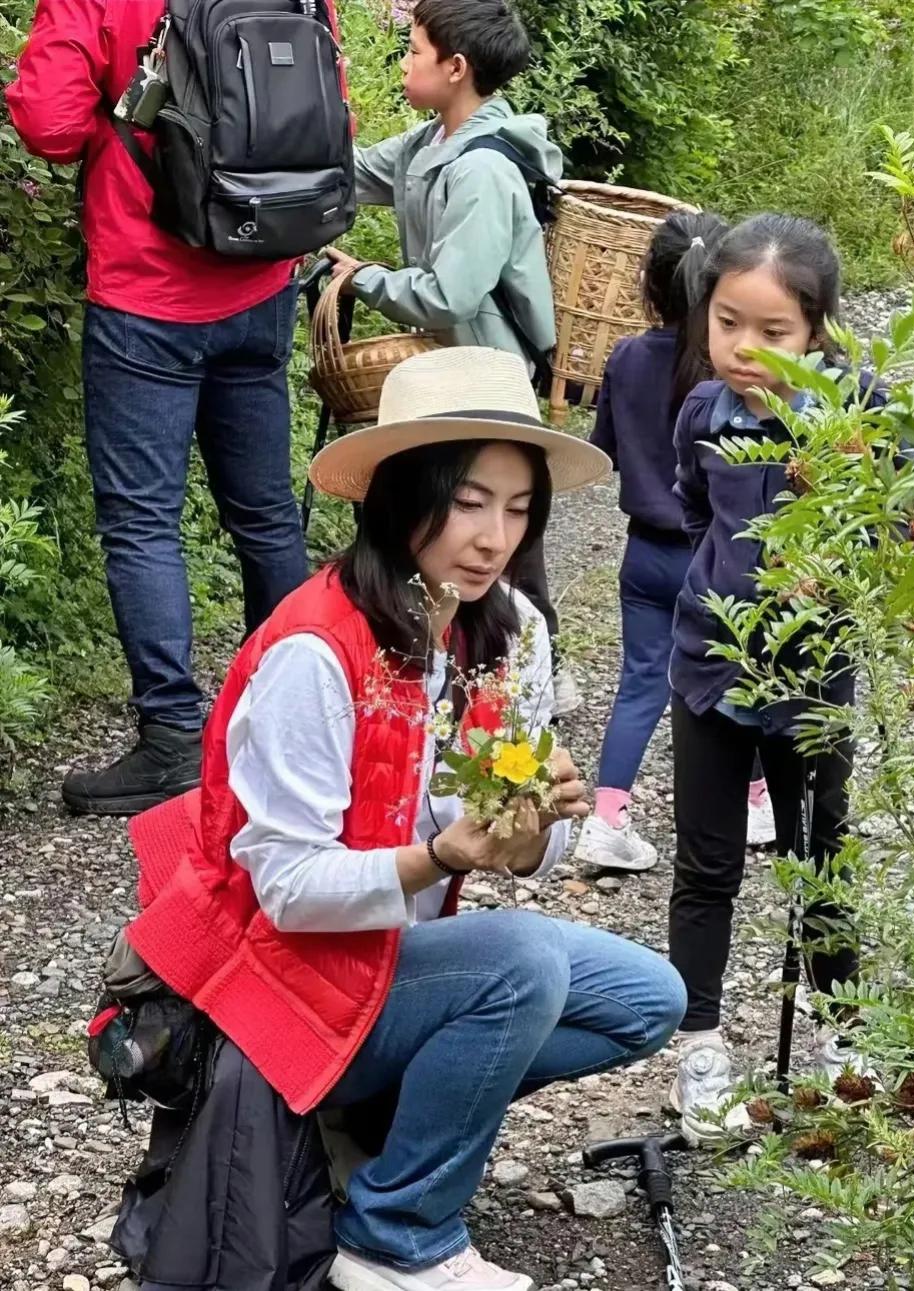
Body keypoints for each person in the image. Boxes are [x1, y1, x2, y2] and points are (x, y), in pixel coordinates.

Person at [120, 347, 687, 1291]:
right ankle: (397, 1232)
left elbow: (517, 851)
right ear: (398, 494)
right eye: (467, 501)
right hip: (273, 982)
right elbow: (290, 894)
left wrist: (531, 830)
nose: (493, 536)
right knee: (525, 960)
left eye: (517, 508)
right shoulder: (315, 649)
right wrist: (433, 858)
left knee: (647, 1000)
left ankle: (389, 1128)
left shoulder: (508, 628)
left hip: (394, 964)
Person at [6, 0, 324, 816]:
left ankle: (174, 738)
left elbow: (47, 122)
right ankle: (294, 722)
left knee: (144, 522)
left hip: (148, 291)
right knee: (264, 513)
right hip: (262, 275)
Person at [666, 215, 880, 1145]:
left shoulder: (857, 413)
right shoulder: (701, 414)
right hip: (710, 662)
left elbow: (899, 524)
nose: (744, 349)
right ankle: (702, 1049)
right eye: (726, 322)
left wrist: (835, 563)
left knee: (820, 856)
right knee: (706, 864)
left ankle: (841, 1036)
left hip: (815, 674)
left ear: (819, 328)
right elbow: (691, 507)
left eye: (774, 332)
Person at [325, 0, 578, 715]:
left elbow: (450, 292)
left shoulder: (483, 173)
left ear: (455, 67)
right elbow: (354, 171)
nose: (404, 60)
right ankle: (441, 664)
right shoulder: (431, 143)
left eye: (413, 48)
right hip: (448, 375)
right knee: (442, 517)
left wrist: (361, 279)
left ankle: (538, 673)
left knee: (497, 525)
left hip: (490, 375)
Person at [571, 211, 725, 873]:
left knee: (640, 683)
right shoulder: (731, 372)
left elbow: (601, 450)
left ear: (650, 288)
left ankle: (607, 819)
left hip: (643, 555)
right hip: (714, 554)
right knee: (732, 677)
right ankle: (747, 800)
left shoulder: (629, 356)